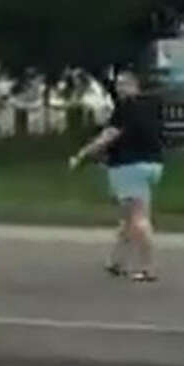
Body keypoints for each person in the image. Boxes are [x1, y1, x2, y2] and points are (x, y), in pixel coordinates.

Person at [67, 70, 165, 282]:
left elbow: (109, 135)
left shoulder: (125, 107)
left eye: (125, 84)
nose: (120, 88)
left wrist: (82, 155)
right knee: (130, 218)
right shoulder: (152, 106)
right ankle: (116, 261)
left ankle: (148, 267)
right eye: (118, 84)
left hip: (128, 166)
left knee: (138, 218)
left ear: (135, 86)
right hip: (152, 164)